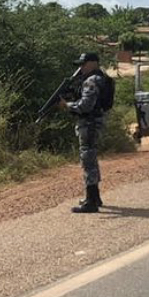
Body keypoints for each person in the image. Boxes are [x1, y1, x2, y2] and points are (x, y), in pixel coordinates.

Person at [59, 51, 109, 214]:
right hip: (95, 123)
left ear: (93, 63)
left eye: (83, 64)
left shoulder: (91, 81)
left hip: (89, 124)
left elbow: (85, 106)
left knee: (88, 160)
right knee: (91, 158)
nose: (81, 67)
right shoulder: (100, 78)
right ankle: (95, 197)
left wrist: (67, 106)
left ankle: (91, 202)